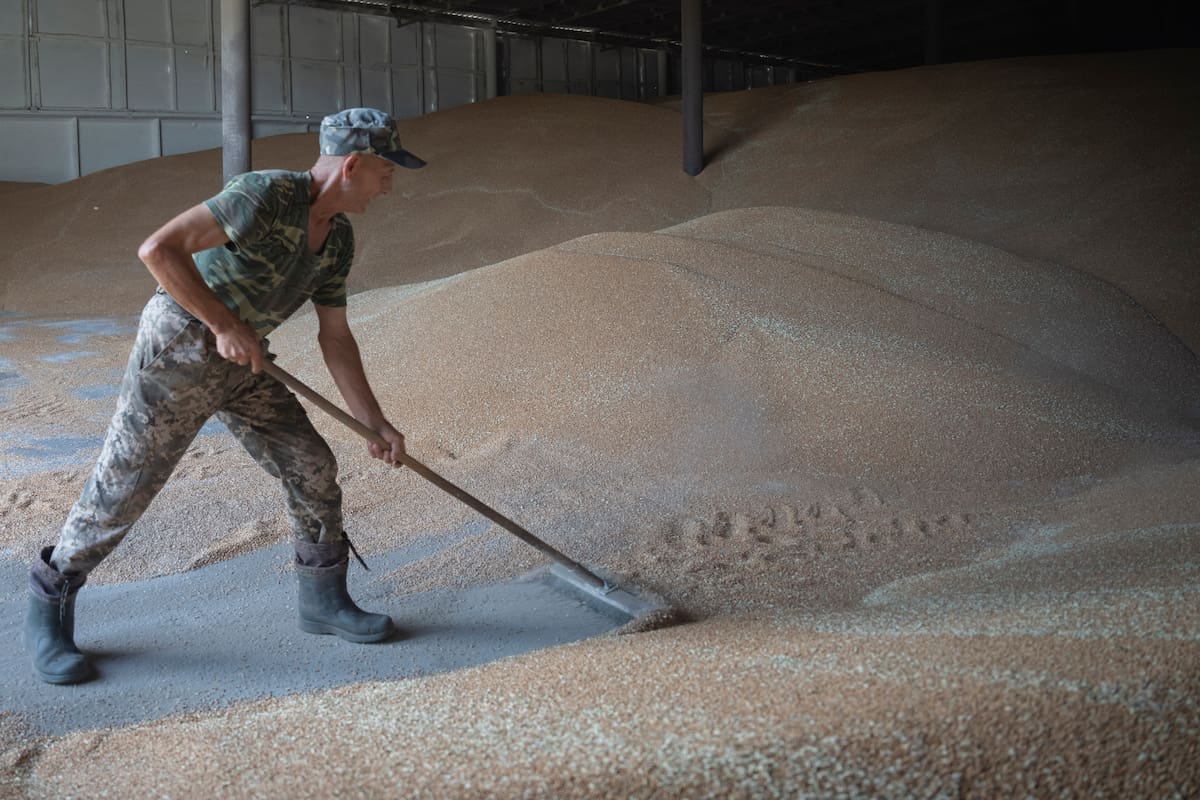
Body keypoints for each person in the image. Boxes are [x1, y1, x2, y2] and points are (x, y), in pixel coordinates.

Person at [23, 108, 425, 684]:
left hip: (245, 362)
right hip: (180, 350)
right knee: (123, 489)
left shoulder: (337, 240)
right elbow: (159, 250)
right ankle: (48, 608)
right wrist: (222, 323)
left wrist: (374, 424)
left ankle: (323, 601)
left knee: (312, 465)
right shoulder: (265, 194)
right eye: (386, 171)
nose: (390, 185)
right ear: (354, 164)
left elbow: (335, 336)